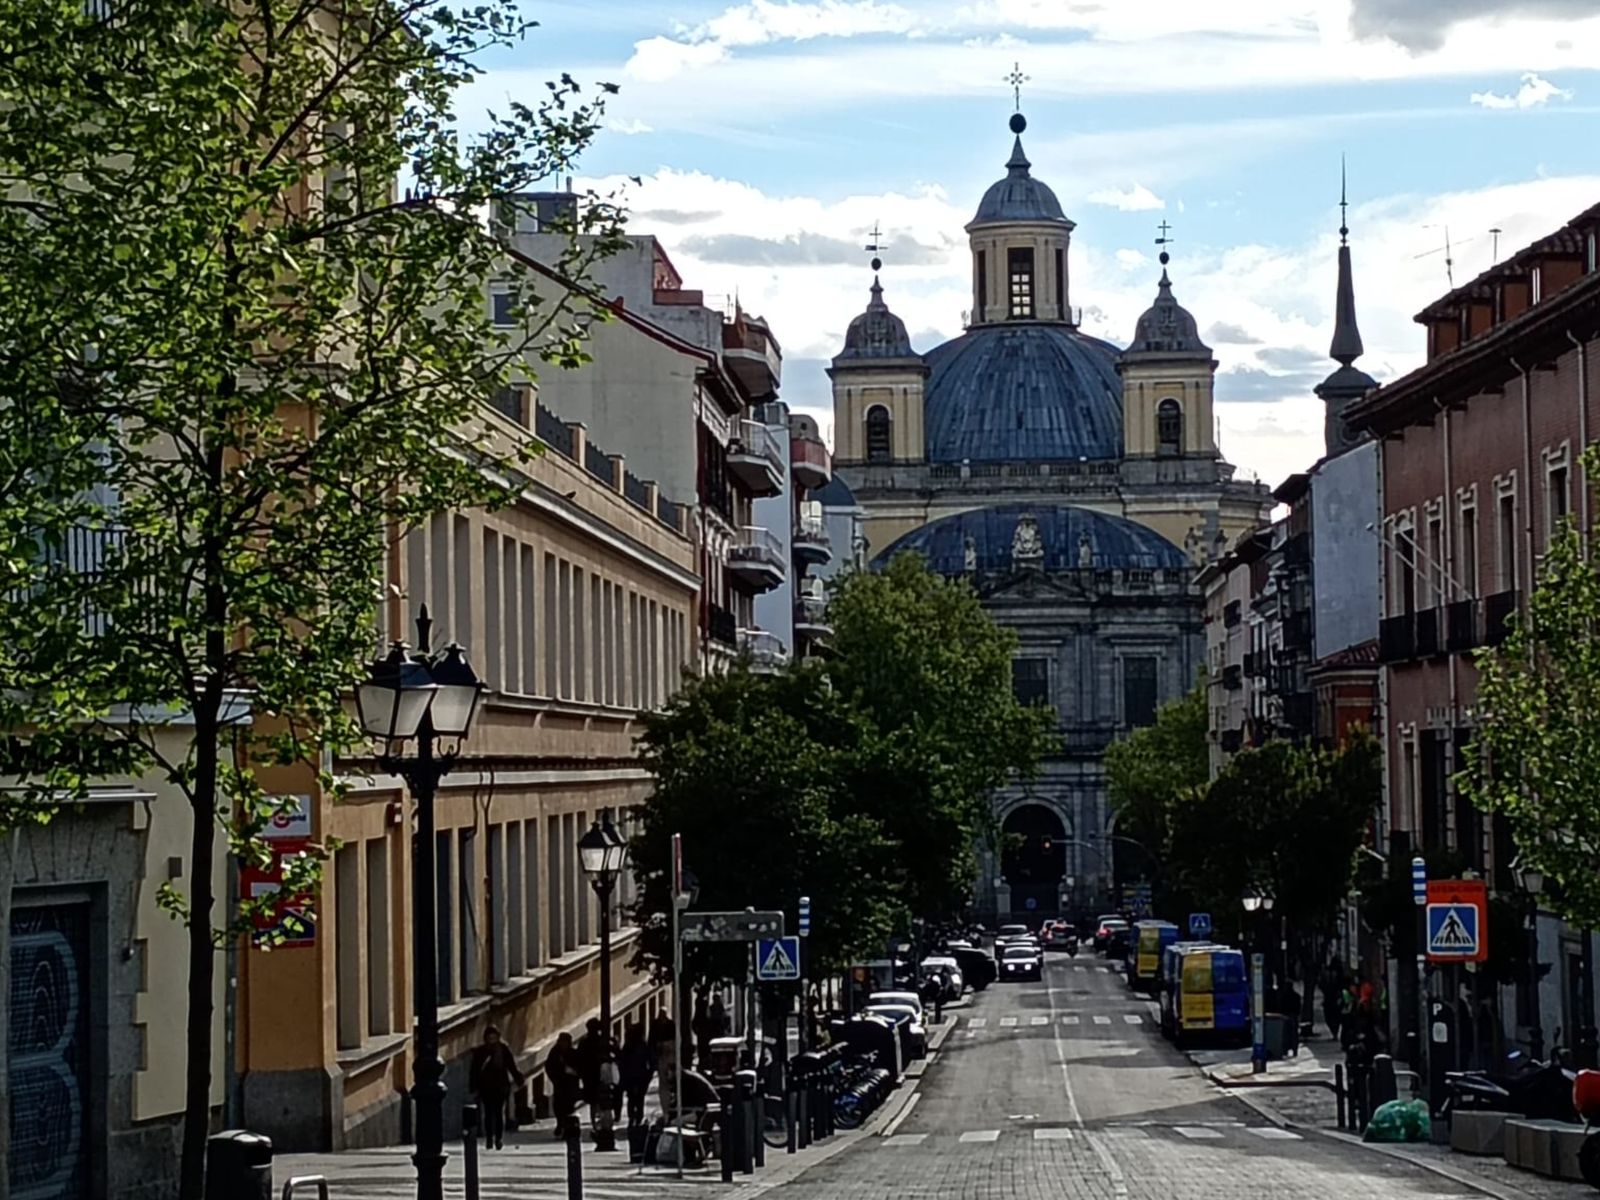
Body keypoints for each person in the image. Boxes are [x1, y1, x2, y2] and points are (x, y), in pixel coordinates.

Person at [469, 1025, 525, 1150]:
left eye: (494, 1037)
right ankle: (489, 1138)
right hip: (486, 1087)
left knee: (499, 1113)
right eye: (490, 1038)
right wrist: (473, 1087)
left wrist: (518, 1079)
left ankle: (498, 1138)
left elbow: (511, 1065)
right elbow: (474, 1070)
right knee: (488, 1113)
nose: (492, 1040)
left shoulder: (503, 1050)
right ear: (486, 1038)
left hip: (501, 1085)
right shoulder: (481, 1052)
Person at [545, 1031, 582, 1139]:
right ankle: (560, 1124)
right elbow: (549, 1067)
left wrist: (575, 1073)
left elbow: (579, 1067)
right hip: (559, 1084)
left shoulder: (572, 1053)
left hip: (570, 1084)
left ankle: (566, 1127)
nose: (564, 1044)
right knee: (559, 1107)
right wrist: (555, 1078)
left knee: (569, 1107)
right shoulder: (555, 1053)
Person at [619, 1024, 655, 1128]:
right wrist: (649, 1075)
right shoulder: (642, 1045)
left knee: (633, 1098)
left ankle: (633, 1118)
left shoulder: (629, 1046)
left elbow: (622, 1062)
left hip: (633, 1077)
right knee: (639, 1099)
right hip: (640, 1077)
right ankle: (638, 1118)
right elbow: (651, 1061)